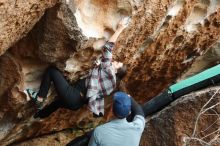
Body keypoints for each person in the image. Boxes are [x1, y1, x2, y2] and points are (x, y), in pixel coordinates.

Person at [25, 17, 130, 118]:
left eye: (117, 64)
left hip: (73, 95)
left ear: (116, 71)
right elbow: (96, 86)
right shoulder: (111, 84)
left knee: (51, 72)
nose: (114, 62)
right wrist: (97, 67)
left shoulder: (110, 72)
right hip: (76, 104)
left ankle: (39, 98)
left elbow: (108, 48)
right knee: (57, 103)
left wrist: (120, 29)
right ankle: (40, 115)